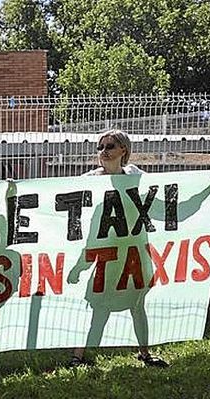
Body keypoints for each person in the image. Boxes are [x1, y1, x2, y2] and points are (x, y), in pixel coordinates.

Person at [68, 130, 166, 368]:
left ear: (124, 149)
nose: (104, 151)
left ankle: (145, 353)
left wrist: (207, 187)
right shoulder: (90, 180)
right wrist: (80, 266)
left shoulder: (135, 175)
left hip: (133, 253)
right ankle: (77, 357)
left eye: (110, 146)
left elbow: (162, 193)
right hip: (107, 255)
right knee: (99, 309)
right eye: (100, 147)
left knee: (137, 305)